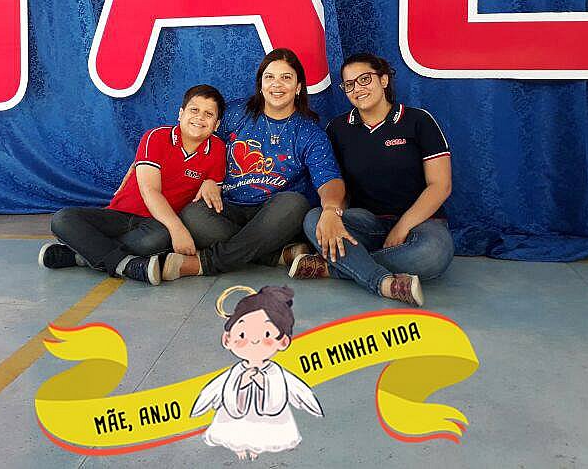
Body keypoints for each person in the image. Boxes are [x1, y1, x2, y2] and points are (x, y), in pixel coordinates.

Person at [164, 48, 344, 281]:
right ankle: (272, 255)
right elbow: (200, 139)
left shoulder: (309, 131)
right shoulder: (236, 113)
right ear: (261, 84)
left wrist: (330, 208)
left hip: (275, 215)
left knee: (294, 203)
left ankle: (204, 263)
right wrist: (209, 179)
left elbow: (329, 179)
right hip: (227, 208)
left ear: (298, 86)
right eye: (269, 77)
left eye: (286, 77)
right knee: (192, 213)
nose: (276, 84)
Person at [290, 53, 454, 307]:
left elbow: (441, 185)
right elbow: (337, 184)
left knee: (433, 254)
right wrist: (333, 214)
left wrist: (402, 227)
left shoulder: (419, 120)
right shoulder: (338, 128)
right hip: (367, 223)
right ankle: (382, 282)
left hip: (421, 224)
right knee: (315, 219)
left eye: (365, 79)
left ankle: (336, 267)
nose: (358, 89)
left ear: (384, 80)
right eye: (349, 84)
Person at [38, 84, 227, 285]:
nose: (200, 117)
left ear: (216, 124)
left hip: (155, 224)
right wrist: (178, 229)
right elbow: (150, 190)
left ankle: (81, 255)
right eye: (194, 110)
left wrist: (211, 183)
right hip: (119, 215)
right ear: (181, 114)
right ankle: (127, 265)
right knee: (63, 219)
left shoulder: (218, 149)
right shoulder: (156, 137)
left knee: (158, 239)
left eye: (208, 114)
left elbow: (213, 194)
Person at [191, 285, 322, 460]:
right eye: (242, 335)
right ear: (227, 339)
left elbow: (291, 390)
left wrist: (263, 382)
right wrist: (242, 382)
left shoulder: (274, 372)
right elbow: (216, 390)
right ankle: (238, 445)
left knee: (264, 433)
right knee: (234, 431)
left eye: (266, 334)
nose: (253, 340)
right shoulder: (237, 372)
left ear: (283, 341)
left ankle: (257, 447)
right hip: (236, 416)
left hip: (269, 419)